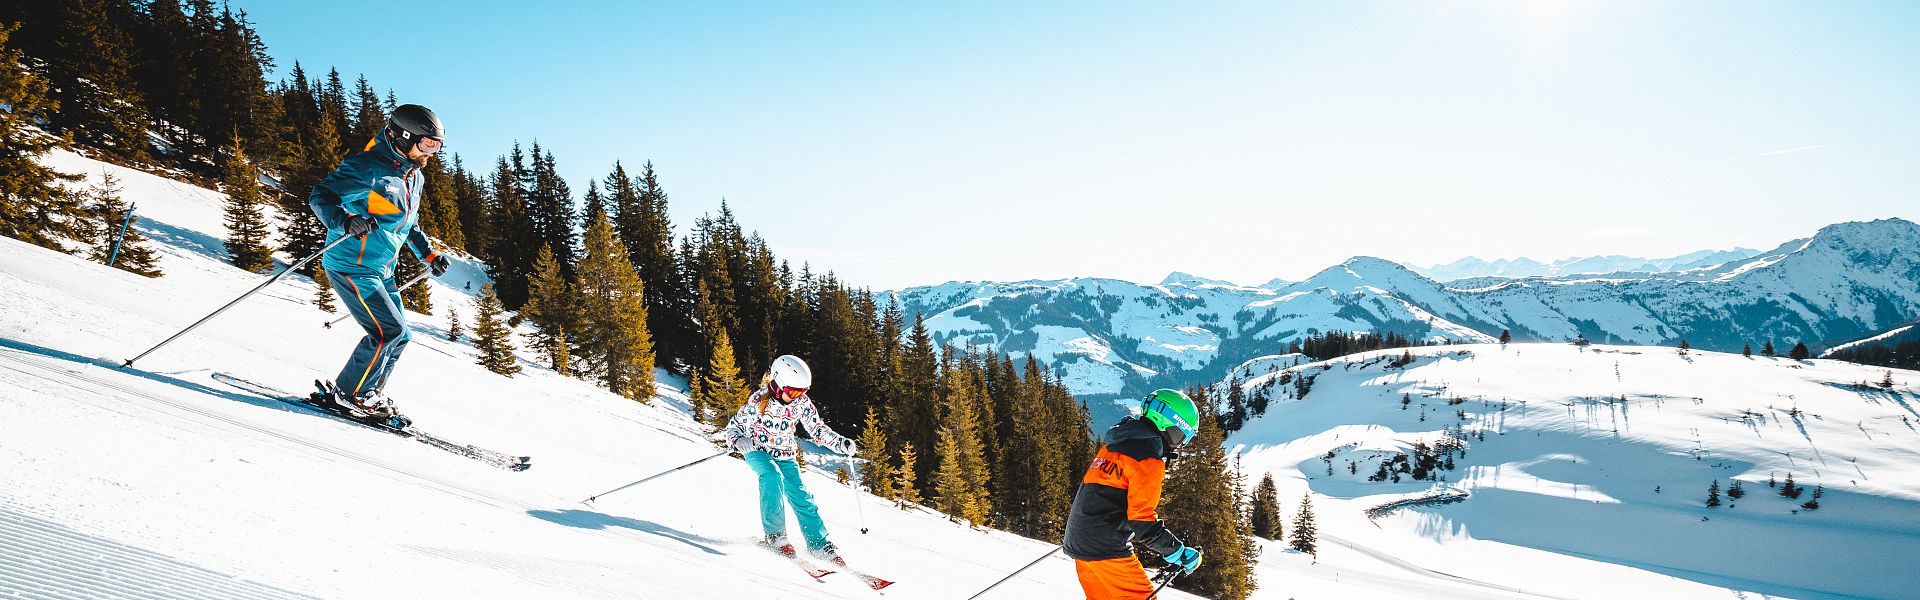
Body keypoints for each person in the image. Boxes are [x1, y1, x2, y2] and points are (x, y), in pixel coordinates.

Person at [308, 104, 450, 419]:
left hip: (381, 269)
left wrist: (428, 255)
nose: (432, 152)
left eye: (437, 146)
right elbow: (321, 196)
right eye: (427, 144)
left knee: (401, 335)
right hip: (351, 265)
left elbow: (409, 223)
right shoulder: (369, 167)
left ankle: (367, 393)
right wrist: (345, 221)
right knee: (389, 331)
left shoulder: (414, 177)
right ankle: (353, 395)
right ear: (404, 135)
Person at [1062, 388, 1205, 600]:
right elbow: (1143, 523)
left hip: (1079, 540)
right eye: (1183, 436)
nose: (1180, 444)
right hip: (1106, 548)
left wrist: (1082, 533)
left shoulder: (1113, 446)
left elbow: (1095, 493)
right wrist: (1178, 552)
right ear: (1172, 426)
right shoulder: (1148, 460)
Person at [722, 355, 858, 563]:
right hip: (757, 450)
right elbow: (733, 427)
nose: (797, 396)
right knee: (771, 476)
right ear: (777, 384)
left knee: (800, 495)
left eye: (802, 392)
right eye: (792, 392)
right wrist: (738, 439)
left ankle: (819, 544)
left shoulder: (801, 403)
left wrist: (840, 443)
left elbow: (817, 429)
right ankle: (775, 535)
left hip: (785, 454)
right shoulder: (758, 401)